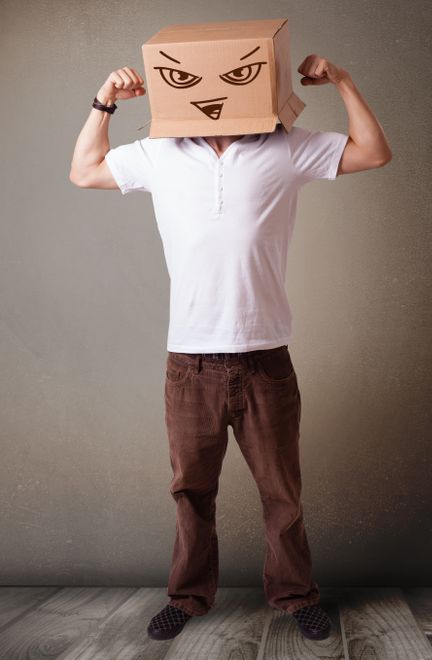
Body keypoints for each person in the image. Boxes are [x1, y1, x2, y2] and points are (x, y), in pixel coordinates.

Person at [69, 55, 392, 642]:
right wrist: (105, 99)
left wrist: (344, 80)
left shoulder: (285, 145)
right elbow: (84, 170)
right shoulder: (160, 152)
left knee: (282, 494)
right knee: (191, 492)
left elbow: (373, 152)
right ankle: (188, 598)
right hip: (190, 362)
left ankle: (295, 597)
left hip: (265, 357)